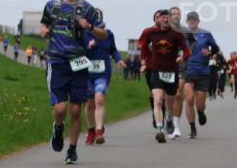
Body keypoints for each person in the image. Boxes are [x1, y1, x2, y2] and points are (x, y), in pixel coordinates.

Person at [40, 0, 106, 165]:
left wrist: (90, 27)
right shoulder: (51, 5)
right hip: (57, 61)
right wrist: (45, 31)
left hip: (78, 63)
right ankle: (58, 127)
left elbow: (103, 34)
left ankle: (72, 150)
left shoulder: (87, 9)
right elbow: (43, 25)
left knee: (76, 110)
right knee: (61, 108)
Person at [138, 9, 191, 143]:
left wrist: (182, 58)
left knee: (170, 99)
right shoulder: (151, 32)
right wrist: (144, 61)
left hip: (172, 71)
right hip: (156, 69)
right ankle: (160, 130)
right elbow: (143, 46)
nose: (165, 20)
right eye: (163, 18)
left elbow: (186, 51)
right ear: (159, 20)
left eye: (167, 17)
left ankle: (169, 117)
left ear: (170, 20)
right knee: (158, 100)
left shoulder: (176, 35)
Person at [83, 10, 125, 146]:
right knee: (89, 104)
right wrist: (88, 48)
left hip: (103, 72)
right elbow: (76, 52)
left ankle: (99, 131)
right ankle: (91, 130)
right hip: (87, 73)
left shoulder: (108, 34)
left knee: (99, 99)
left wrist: (118, 59)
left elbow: (113, 50)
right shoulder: (84, 33)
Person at [182, 11, 221, 138]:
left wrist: (209, 53)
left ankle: (200, 112)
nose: (192, 21)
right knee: (188, 100)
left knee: (200, 103)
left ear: (198, 21)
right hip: (189, 70)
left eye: (194, 19)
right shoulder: (184, 35)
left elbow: (216, 48)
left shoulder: (206, 34)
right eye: (189, 20)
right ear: (187, 22)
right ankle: (192, 129)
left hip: (203, 71)